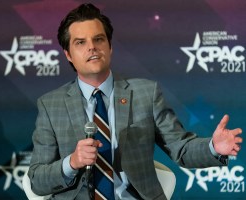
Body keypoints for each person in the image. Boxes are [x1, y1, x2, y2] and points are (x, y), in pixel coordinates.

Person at [28, 3, 242, 200]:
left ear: (109, 47)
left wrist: (214, 147)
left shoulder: (145, 93)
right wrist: (72, 162)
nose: (92, 47)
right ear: (68, 54)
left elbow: (180, 149)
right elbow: (37, 179)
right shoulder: (50, 104)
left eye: (99, 39)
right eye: (80, 42)